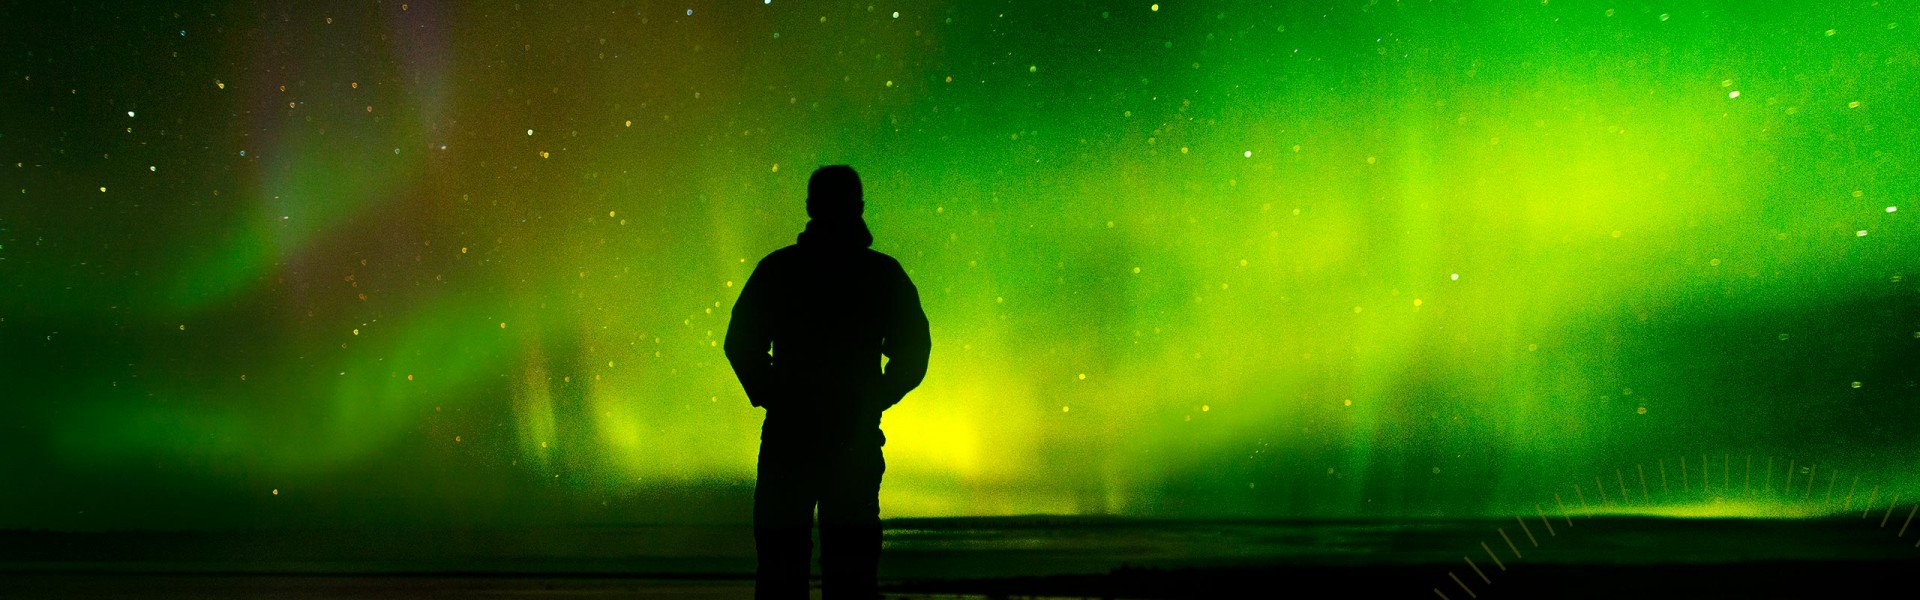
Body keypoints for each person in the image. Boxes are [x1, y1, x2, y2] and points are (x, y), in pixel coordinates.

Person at [724, 165, 931, 600]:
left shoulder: (780, 270)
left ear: (810, 207)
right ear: (858, 207)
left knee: (781, 571)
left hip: (790, 436)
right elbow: (913, 352)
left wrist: (775, 395)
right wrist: (873, 397)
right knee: (851, 574)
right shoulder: (881, 274)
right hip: (851, 435)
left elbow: (741, 345)